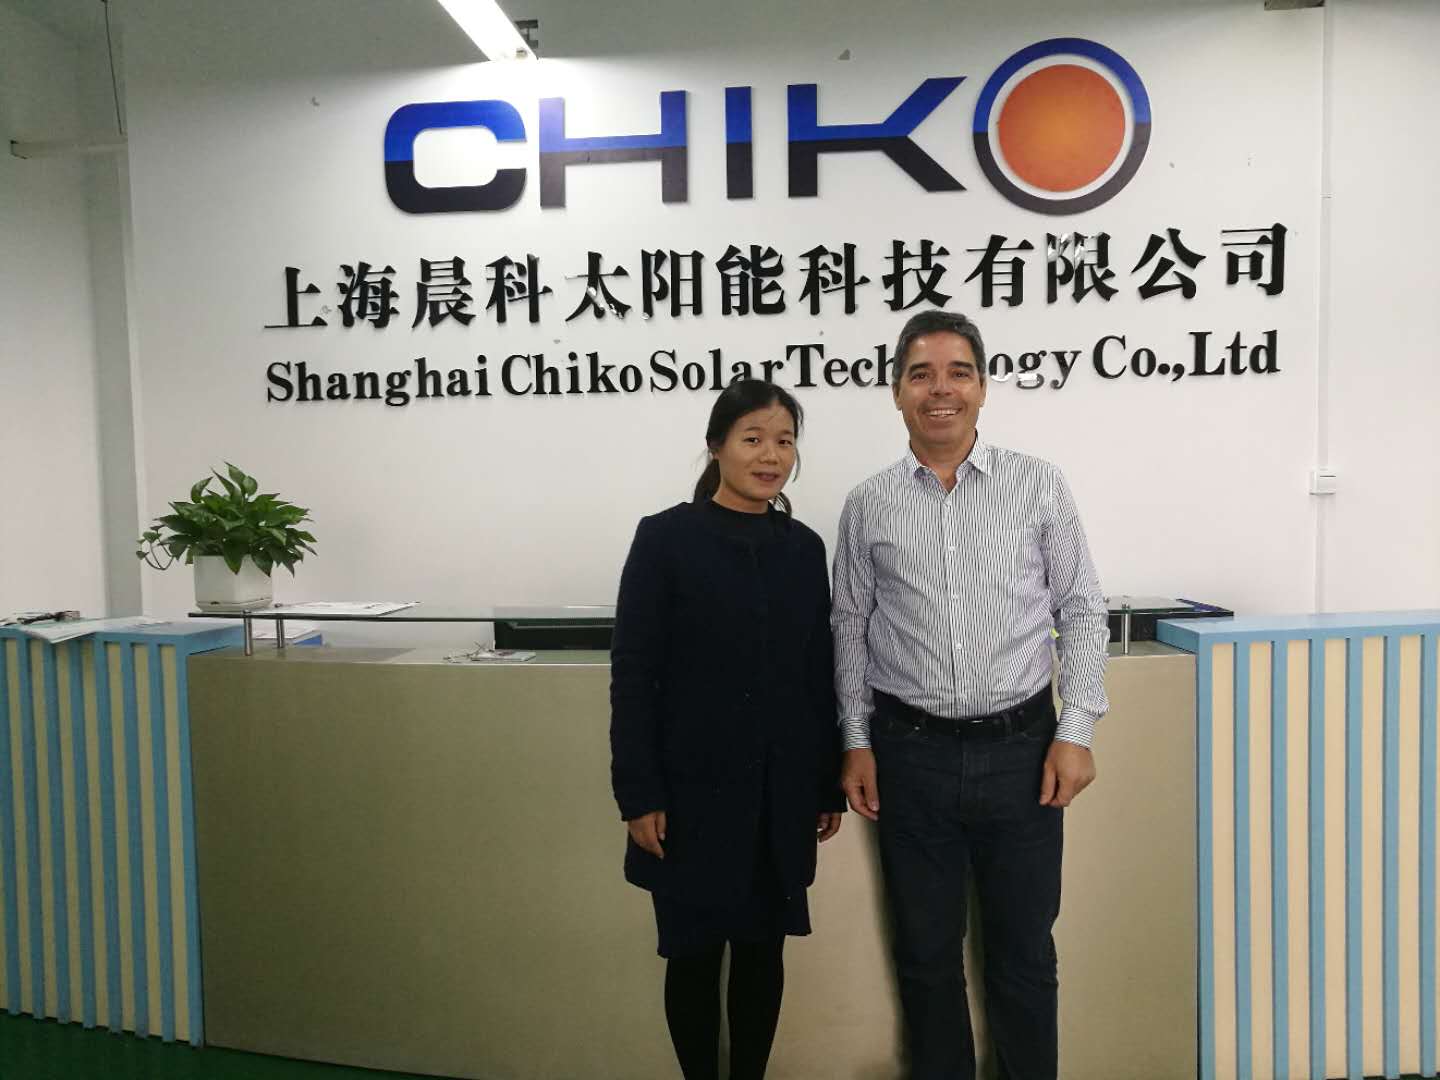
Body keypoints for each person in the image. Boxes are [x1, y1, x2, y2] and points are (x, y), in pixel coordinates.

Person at [831, 310, 1109, 1080]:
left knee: (1024, 954)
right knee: (925, 957)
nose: (940, 389)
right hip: (909, 756)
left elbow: (1082, 608)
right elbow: (849, 624)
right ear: (896, 392)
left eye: (958, 372)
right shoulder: (869, 504)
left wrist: (1077, 729)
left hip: (1024, 752)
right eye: (920, 374)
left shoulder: (1038, 484)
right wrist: (855, 740)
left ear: (983, 387)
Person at [610, 379, 845, 1080]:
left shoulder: (803, 548)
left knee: (762, 954)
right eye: (753, 439)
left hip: (778, 796)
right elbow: (634, 675)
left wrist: (824, 785)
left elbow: (818, 673)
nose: (771, 456)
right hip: (688, 797)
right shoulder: (665, 539)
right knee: (692, 956)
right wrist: (638, 793)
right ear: (716, 447)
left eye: (784, 441)